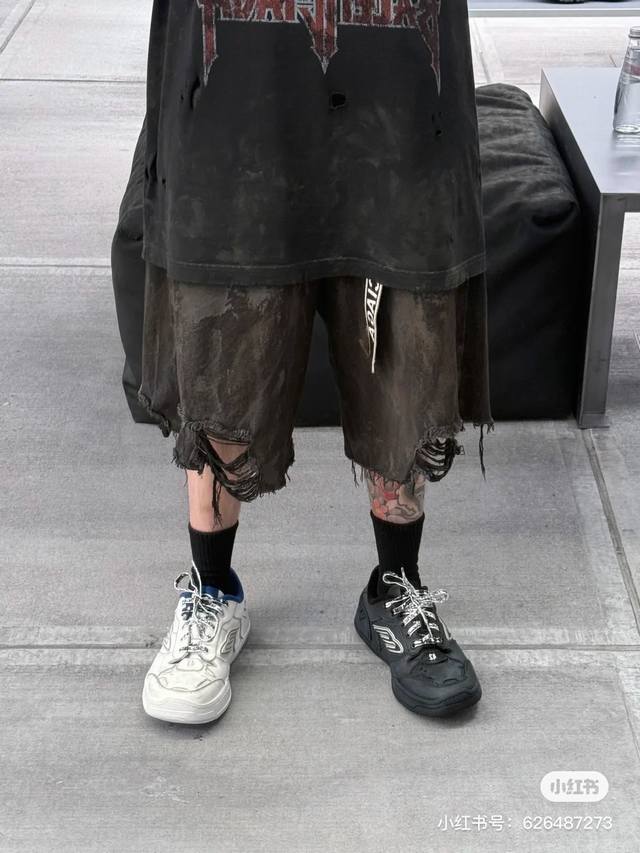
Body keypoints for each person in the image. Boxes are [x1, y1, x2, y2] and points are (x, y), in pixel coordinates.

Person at [136, 0, 495, 725]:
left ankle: (395, 586)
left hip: (398, 78)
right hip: (237, 83)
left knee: (403, 343)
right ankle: (212, 590)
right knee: (225, 346)